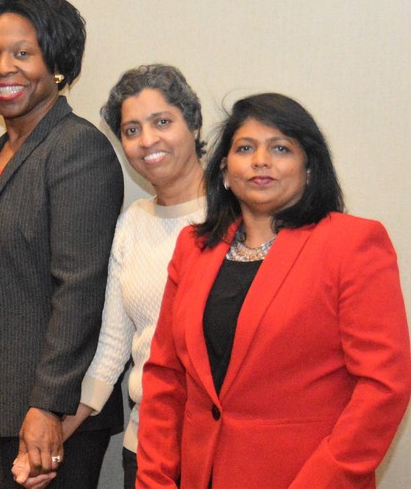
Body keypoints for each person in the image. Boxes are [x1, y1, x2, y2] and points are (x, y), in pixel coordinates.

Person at [136, 93, 411, 488]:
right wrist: (155, 480)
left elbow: (383, 387)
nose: (260, 160)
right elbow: (166, 377)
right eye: (245, 148)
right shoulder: (193, 248)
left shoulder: (352, 244)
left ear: (309, 168)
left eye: (280, 148)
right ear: (225, 169)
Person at [0, 0, 124, 489]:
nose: (2, 68)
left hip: (45, 406)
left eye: (22, 53)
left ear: (57, 63)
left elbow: (81, 287)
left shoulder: (76, 148)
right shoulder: (4, 150)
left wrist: (48, 404)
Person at [53, 64, 206, 489]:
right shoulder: (132, 223)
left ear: (193, 125)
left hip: (219, 450)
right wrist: (56, 434)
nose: (147, 140)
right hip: (147, 448)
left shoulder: (239, 217)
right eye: (132, 130)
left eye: (162, 122)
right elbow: (112, 347)